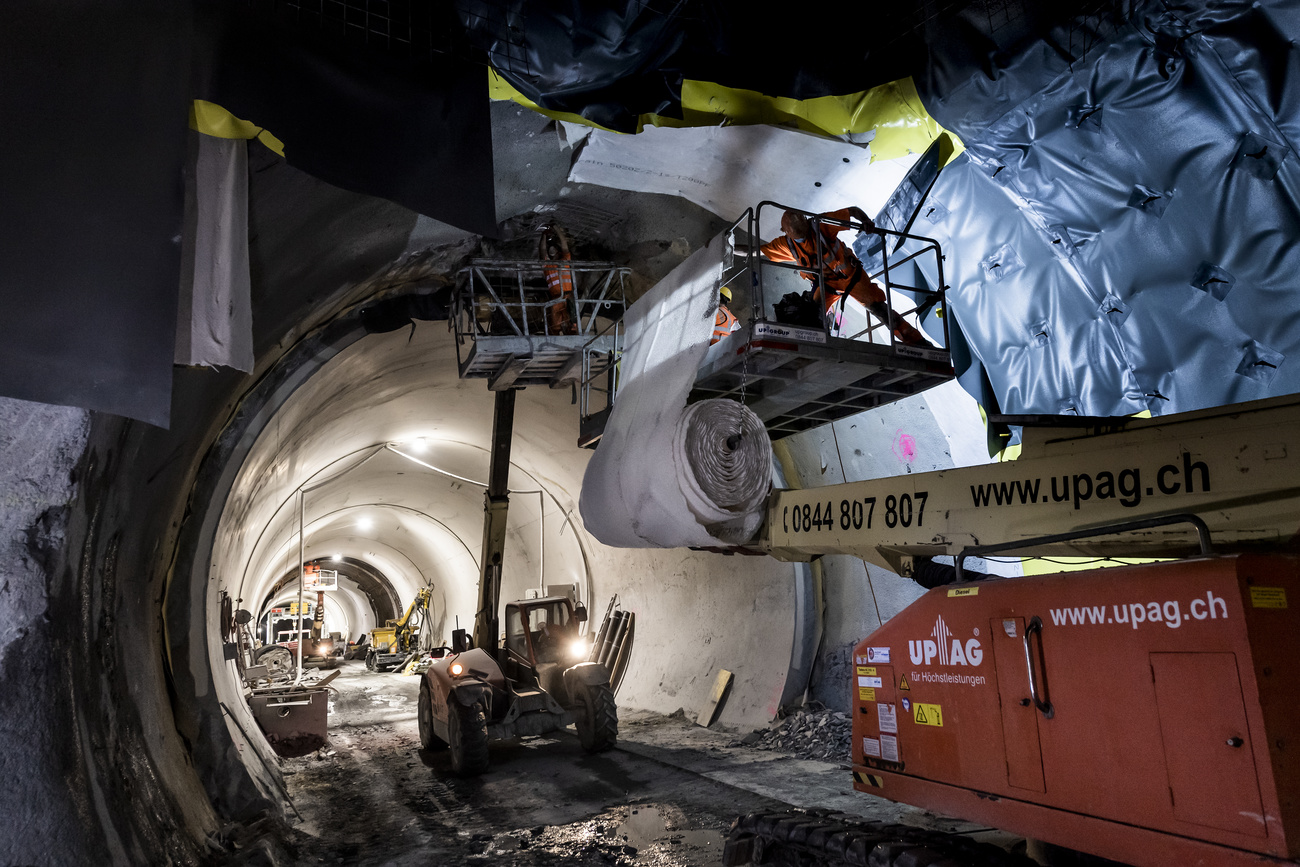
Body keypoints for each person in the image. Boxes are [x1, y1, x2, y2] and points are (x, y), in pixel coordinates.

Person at [755, 207, 931, 346]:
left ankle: (917, 343)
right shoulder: (787, 244)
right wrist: (729, 248)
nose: (803, 240)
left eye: (804, 235)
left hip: (851, 278)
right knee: (810, 312)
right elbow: (754, 251)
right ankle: (815, 342)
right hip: (826, 285)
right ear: (785, 232)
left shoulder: (821, 225)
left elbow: (852, 210)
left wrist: (866, 221)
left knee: (879, 309)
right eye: (799, 238)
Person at [539, 225, 578, 335]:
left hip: (564, 298)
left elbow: (564, 245)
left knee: (570, 324)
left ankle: (569, 333)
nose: (551, 249)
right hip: (559, 300)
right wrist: (544, 236)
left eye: (554, 248)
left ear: (557, 251)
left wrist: (556, 229)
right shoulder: (547, 266)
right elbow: (542, 251)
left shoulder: (565, 261)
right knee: (557, 327)